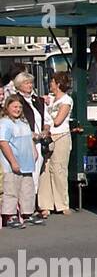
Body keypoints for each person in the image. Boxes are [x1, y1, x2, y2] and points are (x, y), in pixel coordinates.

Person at [37, 71, 73, 216]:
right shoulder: (50, 99)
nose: (50, 84)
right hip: (48, 136)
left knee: (59, 169)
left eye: (52, 82)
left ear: (58, 84)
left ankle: (62, 203)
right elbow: (45, 117)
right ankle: (45, 204)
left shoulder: (66, 100)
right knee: (45, 170)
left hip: (61, 136)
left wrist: (49, 123)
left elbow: (58, 121)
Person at [0, 95, 39, 228]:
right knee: (11, 190)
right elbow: (3, 143)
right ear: (8, 107)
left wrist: (34, 151)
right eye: (14, 106)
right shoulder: (5, 123)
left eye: (20, 107)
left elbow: (29, 138)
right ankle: (10, 216)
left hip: (27, 163)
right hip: (12, 165)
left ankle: (27, 213)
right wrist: (13, 162)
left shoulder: (24, 122)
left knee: (27, 190)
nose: (17, 109)